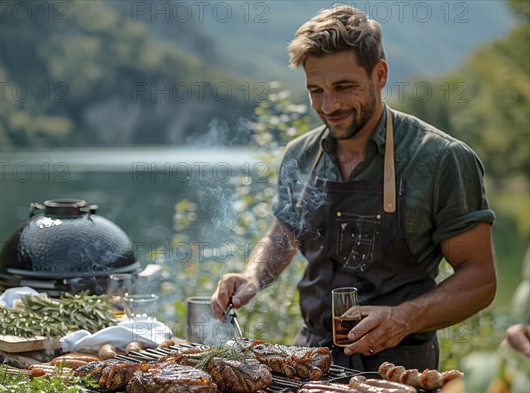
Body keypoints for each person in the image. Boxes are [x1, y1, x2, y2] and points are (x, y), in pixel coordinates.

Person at [210, 5, 497, 371]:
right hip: (308, 362)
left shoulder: (442, 159)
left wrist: (402, 318)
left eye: (344, 87)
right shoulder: (300, 154)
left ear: (379, 74)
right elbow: (284, 232)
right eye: (316, 90)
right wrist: (252, 275)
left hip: (398, 370)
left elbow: (481, 278)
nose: (329, 105)